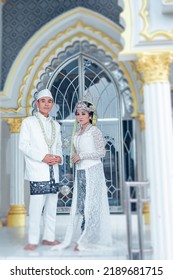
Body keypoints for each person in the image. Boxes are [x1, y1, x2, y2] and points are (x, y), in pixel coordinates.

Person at [52, 100, 112, 251]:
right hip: (81, 172)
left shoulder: (95, 131)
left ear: (90, 115)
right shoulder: (78, 132)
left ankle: (89, 238)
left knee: (91, 205)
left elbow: (101, 152)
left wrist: (82, 155)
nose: (80, 116)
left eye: (83, 114)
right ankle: (84, 235)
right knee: (82, 205)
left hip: (93, 171)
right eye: (78, 114)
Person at [19, 89, 63, 251]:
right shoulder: (28, 122)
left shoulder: (56, 125)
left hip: (54, 171)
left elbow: (58, 146)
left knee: (52, 207)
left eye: (49, 101)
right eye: (43, 101)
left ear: (52, 105)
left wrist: (59, 157)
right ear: (37, 104)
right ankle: (32, 240)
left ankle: (49, 238)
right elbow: (23, 145)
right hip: (38, 170)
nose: (46, 104)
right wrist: (42, 157)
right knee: (36, 208)